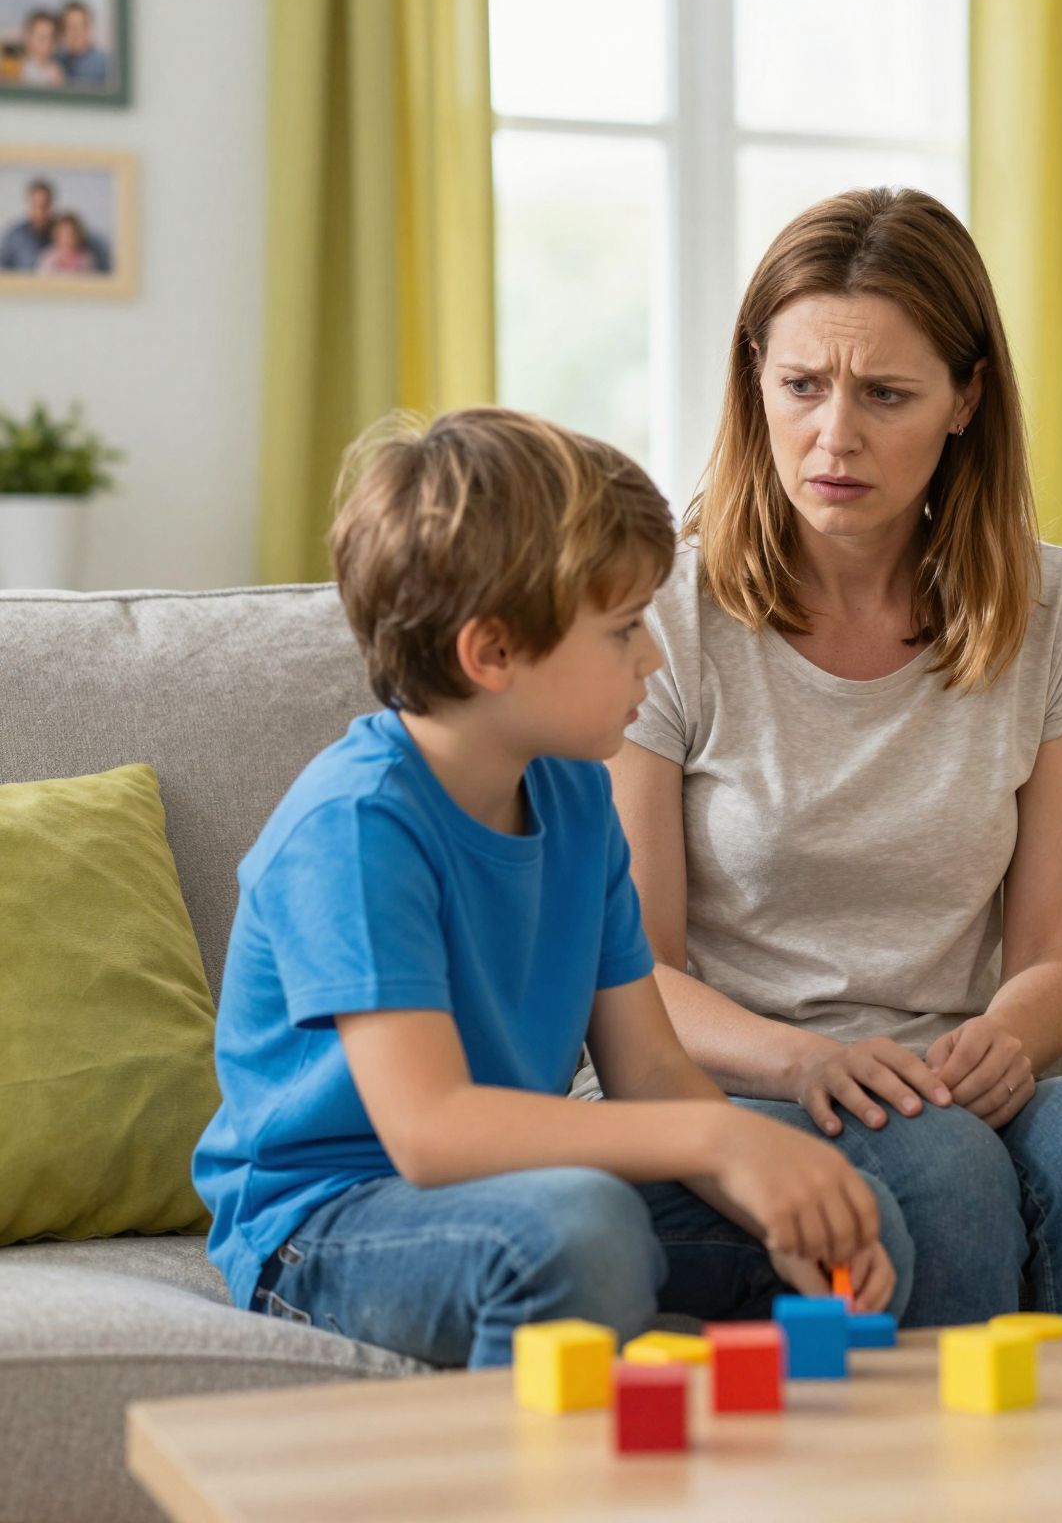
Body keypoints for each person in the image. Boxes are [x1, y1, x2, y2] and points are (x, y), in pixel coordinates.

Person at [192, 407, 911, 1370]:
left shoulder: (574, 799)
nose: (654, 657)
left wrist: (763, 1186)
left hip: (530, 1183)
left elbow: (650, 1071)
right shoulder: (356, 827)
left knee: (852, 1225)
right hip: (328, 1222)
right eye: (622, 631)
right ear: (491, 653)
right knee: (582, 1229)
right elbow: (431, 1130)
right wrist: (716, 1138)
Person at [608, 187, 1062, 1328]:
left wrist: (1006, 1037)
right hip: (725, 1078)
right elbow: (637, 979)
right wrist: (799, 1063)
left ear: (964, 399)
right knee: (937, 1165)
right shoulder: (662, 615)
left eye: (885, 395)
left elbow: (1053, 955)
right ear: (753, 382)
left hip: (933, 1078)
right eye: (800, 386)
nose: (834, 436)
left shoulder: (1052, 608)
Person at [0, 179, 54, 271]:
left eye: (44, 205)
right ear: (28, 204)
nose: (40, 211)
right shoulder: (15, 236)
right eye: (36, 205)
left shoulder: (64, 234)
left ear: (51, 204)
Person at [57, 0, 109, 86]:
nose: (75, 33)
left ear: (88, 29)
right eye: (70, 27)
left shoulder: (104, 64)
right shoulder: (56, 61)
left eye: (79, 26)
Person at [16, 10, 64, 86]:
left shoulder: (56, 73)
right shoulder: (14, 68)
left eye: (51, 39)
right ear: (28, 36)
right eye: (42, 38)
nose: (47, 44)